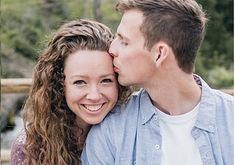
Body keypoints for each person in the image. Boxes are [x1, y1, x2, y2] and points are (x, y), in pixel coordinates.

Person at [82, 0, 234, 164]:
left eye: (124, 41)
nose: (112, 49)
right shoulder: (110, 132)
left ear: (160, 53)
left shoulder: (231, 119)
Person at [10, 19, 131, 165]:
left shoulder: (131, 129)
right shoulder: (30, 147)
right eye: (80, 82)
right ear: (59, 84)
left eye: (106, 80)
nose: (94, 95)